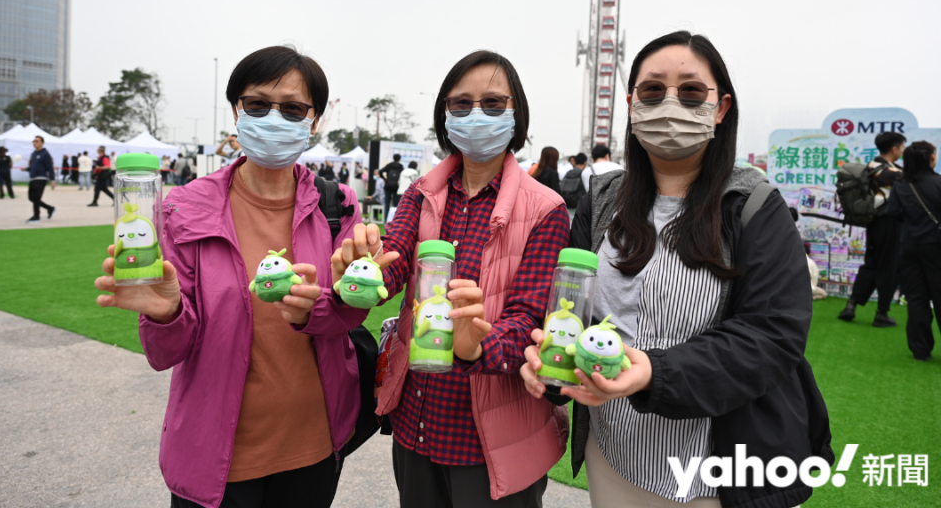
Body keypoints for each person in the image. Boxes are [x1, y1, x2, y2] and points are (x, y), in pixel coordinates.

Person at [521, 31, 833, 508]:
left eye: (690, 91)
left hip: (712, 474)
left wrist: (654, 371)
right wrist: (553, 364)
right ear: (631, 104)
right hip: (613, 456)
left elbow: (773, 336)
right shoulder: (603, 199)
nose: (670, 104)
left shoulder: (753, 205)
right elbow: (571, 307)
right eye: (652, 90)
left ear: (721, 107)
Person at [94, 45, 383, 508]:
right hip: (216, 454)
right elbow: (164, 353)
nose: (273, 118)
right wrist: (168, 312)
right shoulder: (184, 209)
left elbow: (345, 321)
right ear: (236, 110)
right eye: (257, 104)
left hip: (313, 442)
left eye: (292, 108)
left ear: (314, 120)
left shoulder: (338, 204)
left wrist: (329, 303)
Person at [373, 50, 570, 508]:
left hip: (492, 442)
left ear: (516, 114)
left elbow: (530, 317)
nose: (476, 115)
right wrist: (364, 267)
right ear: (445, 116)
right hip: (416, 423)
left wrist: (478, 345)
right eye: (461, 105)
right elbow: (394, 259)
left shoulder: (546, 209)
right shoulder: (422, 193)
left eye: (494, 104)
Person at [838, 132, 906, 326]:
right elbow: (888, 177)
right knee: (889, 266)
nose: (902, 151)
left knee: (872, 263)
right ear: (894, 148)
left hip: (876, 221)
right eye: (902, 148)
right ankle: (881, 313)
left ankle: (851, 305)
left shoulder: (881, 166)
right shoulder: (878, 166)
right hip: (888, 221)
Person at [885, 141, 941, 361]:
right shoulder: (938, 183)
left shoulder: (901, 184)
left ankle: (920, 349)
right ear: (930, 158)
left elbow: (893, 212)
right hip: (936, 247)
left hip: (909, 246)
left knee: (917, 299)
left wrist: (912, 223)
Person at [27, 135, 57, 223]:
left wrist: (52, 180)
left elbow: (50, 167)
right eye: (34, 141)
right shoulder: (33, 154)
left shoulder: (45, 154)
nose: (35, 143)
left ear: (42, 143)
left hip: (41, 178)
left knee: (36, 197)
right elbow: (33, 166)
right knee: (31, 198)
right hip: (33, 178)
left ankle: (36, 216)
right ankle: (50, 208)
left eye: (37, 141)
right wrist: (26, 169)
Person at [378, 153, 404, 221]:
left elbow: (380, 171)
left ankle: (386, 218)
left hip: (388, 186)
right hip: (396, 187)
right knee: (396, 204)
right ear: (399, 159)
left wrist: (385, 179)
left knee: (387, 203)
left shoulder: (389, 165)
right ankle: (395, 218)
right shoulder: (400, 166)